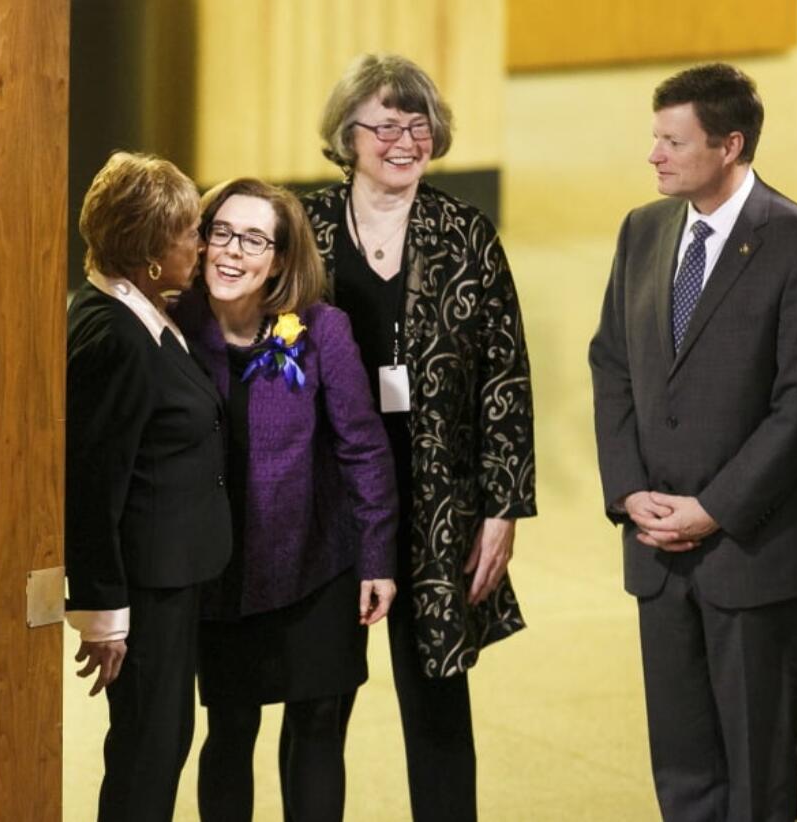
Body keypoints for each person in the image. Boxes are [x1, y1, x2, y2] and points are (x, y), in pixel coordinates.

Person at [589, 63, 797, 821]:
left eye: (673, 141)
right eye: (655, 139)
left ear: (730, 145)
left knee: (758, 772)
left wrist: (714, 508)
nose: (655, 156)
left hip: (755, 555)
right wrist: (628, 488)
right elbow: (611, 363)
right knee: (683, 765)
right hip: (656, 550)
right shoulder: (643, 230)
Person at [302, 54, 536, 822]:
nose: (406, 140)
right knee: (318, 703)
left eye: (419, 124)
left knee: (438, 705)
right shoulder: (302, 231)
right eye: (386, 125)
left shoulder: (465, 232)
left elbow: (507, 377)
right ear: (348, 135)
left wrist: (502, 509)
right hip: (330, 504)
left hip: (442, 504)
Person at [171, 178, 397, 822]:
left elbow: (363, 447)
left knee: (319, 724)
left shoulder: (323, 330)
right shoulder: (177, 324)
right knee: (231, 728)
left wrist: (378, 557)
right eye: (221, 232)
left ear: (280, 258)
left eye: (253, 239)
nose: (231, 252)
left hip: (317, 566)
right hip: (222, 573)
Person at [65, 151, 233, 822]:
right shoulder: (115, 339)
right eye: (188, 231)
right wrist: (103, 616)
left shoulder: (138, 309)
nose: (202, 243)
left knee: (163, 745)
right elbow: (92, 485)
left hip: (172, 579)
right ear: (149, 252)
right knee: (147, 756)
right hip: (145, 591)